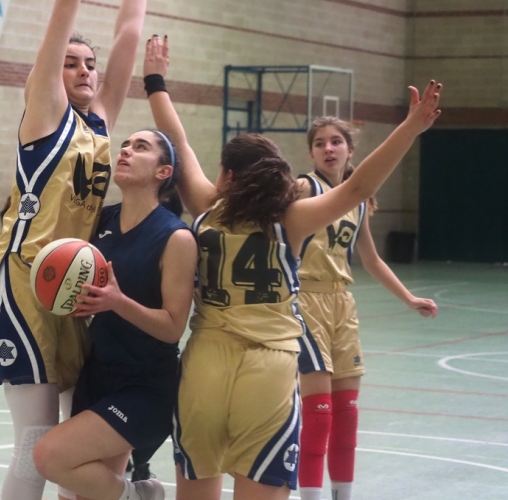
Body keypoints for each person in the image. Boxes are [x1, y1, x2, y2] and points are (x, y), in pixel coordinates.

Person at [144, 37, 442, 500]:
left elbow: (177, 140)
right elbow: (359, 186)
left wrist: (155, 81)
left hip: (206, 360)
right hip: (269, 364)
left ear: (227, 175)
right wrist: (410, 128)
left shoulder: (206, 207)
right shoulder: (292, 219)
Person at [0, 1, 147, 498]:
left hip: (75, 288)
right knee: (35, 443)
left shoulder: (98, 124)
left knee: (77, 447)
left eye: (89, 65)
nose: (83, 71)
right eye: (70, 63)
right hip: (23, 283)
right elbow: (59, 25)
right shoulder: (45, 111)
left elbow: (128, 36)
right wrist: (64, 31)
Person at [33, 120, 198, 500]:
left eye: (140, 147)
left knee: (49, 457)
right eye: (125, 144)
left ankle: (139, 496)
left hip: (144, 384)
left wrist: (117, 302)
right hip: (98, 371)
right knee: (75, 493)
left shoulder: (176, 237)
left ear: (163, 171)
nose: (126, 150)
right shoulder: (102, 221)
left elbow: (173, 328)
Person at [296, 117, 438, 500]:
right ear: (310, 153)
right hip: (305, 301)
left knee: (347, 414)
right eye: (321, 143)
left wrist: (409, 298)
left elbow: (372, 259)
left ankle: (343, 495)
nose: (329, 148)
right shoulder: (303, 187)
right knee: (320, 413)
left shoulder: (357, 201)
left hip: (342, 304)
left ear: (349, 149)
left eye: (336, 141)